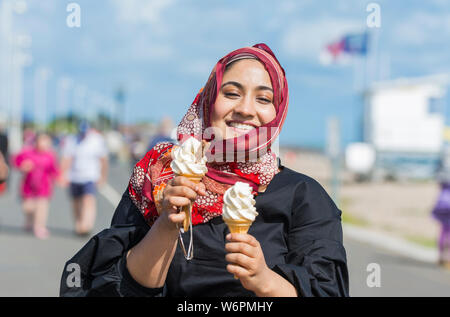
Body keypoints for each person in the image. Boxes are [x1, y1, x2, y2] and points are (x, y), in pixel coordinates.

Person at [60, 44, 349, 297]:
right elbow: (121, 288)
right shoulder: (160, 177)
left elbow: (327, 289)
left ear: (279, 112)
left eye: (263, 99)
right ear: (209, 100)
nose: (246, 109)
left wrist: (265, 281)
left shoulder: (304, 197)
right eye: (232, 93)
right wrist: (167, 223)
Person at [60, 121, 109, 236]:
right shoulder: (72, 140)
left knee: (88, 200)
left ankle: (86, 225)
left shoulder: (97, 140)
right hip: (74, 176)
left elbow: (103, 160)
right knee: (76, 201)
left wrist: (103, 176)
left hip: (90, 176)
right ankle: (78, 223)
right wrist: (63, 174)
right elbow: (67, 158)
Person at [12, 132, 60, 239]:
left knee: (42, 207)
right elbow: (16, 161)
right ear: (36, 142)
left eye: (47, 141)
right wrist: (22, 165)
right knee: (28, 208)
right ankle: (29, 220)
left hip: (44, 186)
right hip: (28, 186)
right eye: (42, 140)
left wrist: (58, 178)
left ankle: (40, 227)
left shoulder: (50, 156)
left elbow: (54, 170)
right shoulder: (27, 152)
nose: (44, 144)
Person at [432, 141, 450, 269]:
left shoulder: (443, 161)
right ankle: (447, 257)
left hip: (442, 202)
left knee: (444, 229)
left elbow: (438, 179)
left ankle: (441, 255)